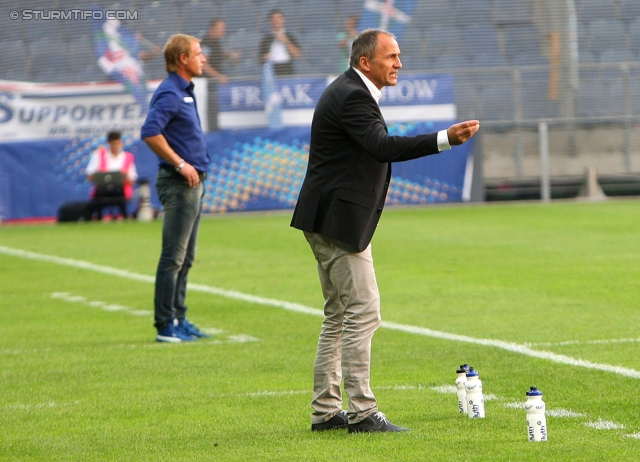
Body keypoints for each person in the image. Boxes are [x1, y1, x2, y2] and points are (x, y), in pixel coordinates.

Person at [290, 29, 480, 433]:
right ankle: (361, 411)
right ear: (365, 63)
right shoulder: (353, 96)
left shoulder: (348, 91)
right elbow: (382, 147)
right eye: (391, 56)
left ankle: (326, 412)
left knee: (338, 315)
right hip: (339, 221)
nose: (399, 63)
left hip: (327, 216)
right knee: (363, 312)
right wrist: (445, 139)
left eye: (399, 55)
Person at [140, 33, 211, 343]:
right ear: (183, 58)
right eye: (198, 53)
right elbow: (150, 132)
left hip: (193, 184)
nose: (203, 58)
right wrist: (181, 164)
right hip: (179, 183)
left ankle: (179, 317)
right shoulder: (170, 92)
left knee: (186, 257)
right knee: (173, 256)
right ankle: (165, 324)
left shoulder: (184, 90)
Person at [86, 130, 137, 220]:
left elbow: (132, 180)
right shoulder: (99, 155)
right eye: (113, 144)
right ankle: (99, 217)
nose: (115, 146)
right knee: (100, 194)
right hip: (103, 191)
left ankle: (124, 216)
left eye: (117, 143)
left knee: (120, 192)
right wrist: (98, 177)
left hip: (120, 191)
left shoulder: (128, 157)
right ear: (109, 143)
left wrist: (124, 178)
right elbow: (89, 176)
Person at [201, 18, 240, 131]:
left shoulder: (216, 42)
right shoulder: (206, 43)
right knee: (210, 107)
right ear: (212, 29)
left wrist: (229, 55)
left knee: (215, 107)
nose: (223, 31)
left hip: (213, 83)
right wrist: (218, 76)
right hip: (206, 83)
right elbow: (204, 63)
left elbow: (215, 56)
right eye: (221, 28)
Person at [259, 9, 301, 76]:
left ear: (283, 20)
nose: (276, 21)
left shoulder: (290, 36)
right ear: (270, 22)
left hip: (287, 68)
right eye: (273, 19)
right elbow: (260, 60)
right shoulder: (266, 39)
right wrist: (265, 57)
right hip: (271, 69)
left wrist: (286, 41)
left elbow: (297, 55)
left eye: (279, 18)